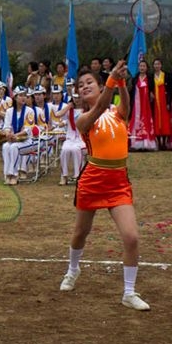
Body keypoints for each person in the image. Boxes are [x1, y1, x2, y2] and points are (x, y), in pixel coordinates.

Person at [59, 61, 150, 311]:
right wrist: (112, 80)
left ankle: (129, 293)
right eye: (80, 85)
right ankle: (72, 270)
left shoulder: (117, 112)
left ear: (99, 86)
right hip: (92, 181)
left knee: (131, 237)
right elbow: (100, 107)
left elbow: (127, 106)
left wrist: (121, 81)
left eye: (89, 82)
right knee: (80, 233)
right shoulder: (83, 118)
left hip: (118, 182)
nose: (84, 86)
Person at [128, 60, 156, 151]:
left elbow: (152, 90)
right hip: (137, 105)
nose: (142, 68)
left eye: (144, 66)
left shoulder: (150, 78)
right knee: (135, 121)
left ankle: (147, 143)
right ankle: (135, 143)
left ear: (147, 68)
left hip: (146, 105)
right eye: (140, 66)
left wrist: (151, 93)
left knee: (146, 121)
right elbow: (131, 91)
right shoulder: (135, 78)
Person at [151, 58, 172, 150]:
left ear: (161, 65)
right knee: (156, 120)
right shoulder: (151, 76)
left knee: (165, 120)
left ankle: (165, 141)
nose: (157, 66)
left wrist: (168, 102)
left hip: (164, 101)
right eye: (155, 64)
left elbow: (170, 90)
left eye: (158, 64)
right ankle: (158, 141)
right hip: (155, 102)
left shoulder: (166, 75)